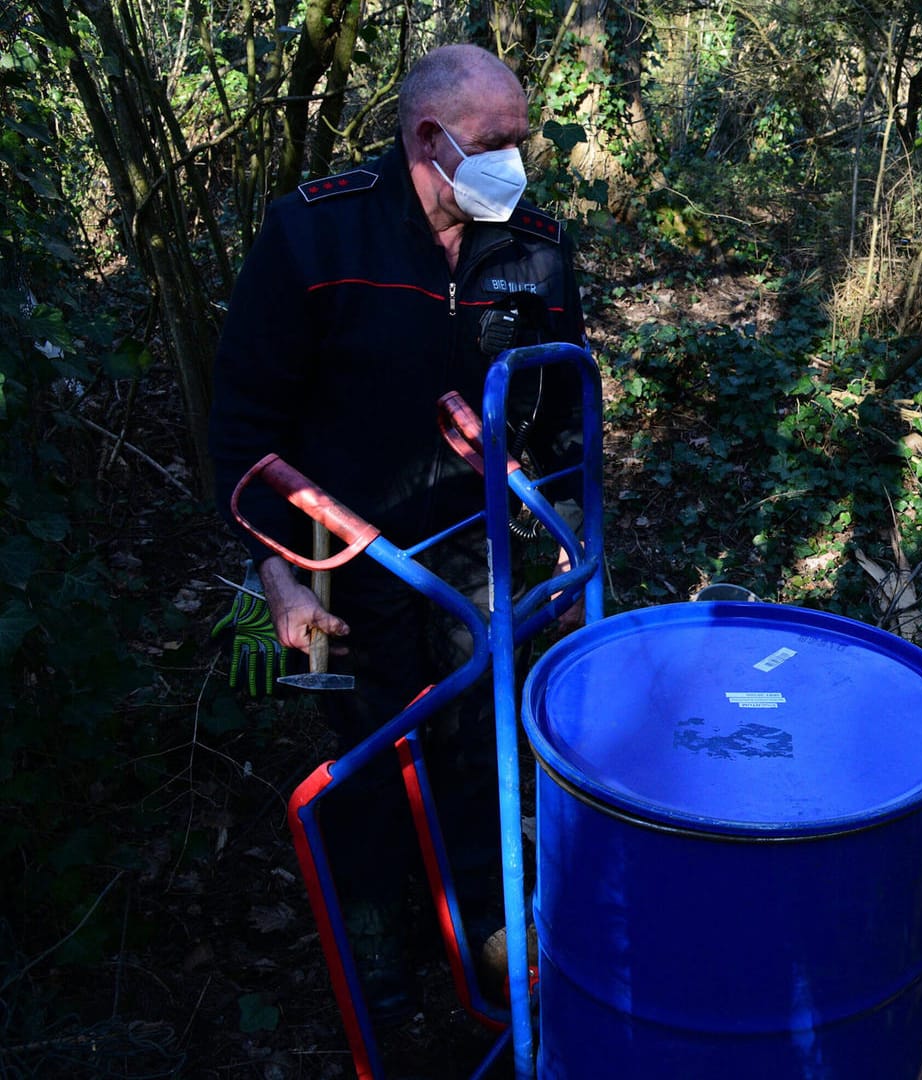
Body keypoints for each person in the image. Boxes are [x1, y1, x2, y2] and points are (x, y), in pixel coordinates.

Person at [209, 44, 583, 1019]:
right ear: (430, 139)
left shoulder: (535, 244)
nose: (517, 162)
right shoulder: (312, 235)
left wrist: (564, 540)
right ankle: (377, 953)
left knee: (481, 743)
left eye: (523, 140)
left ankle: (490, 939)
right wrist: (278, 580)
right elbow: (244, 423)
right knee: (361, 758)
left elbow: (566, 418)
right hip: (331, 554)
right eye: (496, 142)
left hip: (475, 546)